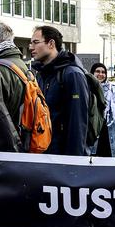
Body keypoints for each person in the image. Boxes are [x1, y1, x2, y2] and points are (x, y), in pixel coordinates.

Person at [29, 25, 91, 156]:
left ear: (51, 44)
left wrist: (73, 161)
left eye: (35, 42)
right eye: (31, 43)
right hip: (45, 152)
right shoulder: (41, 75)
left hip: (63, 157)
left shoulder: (72, 74)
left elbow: (78, 123)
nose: (31, 47)